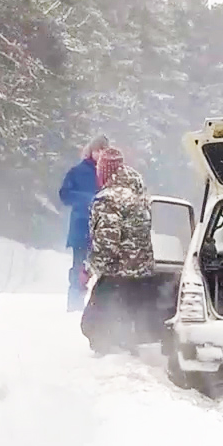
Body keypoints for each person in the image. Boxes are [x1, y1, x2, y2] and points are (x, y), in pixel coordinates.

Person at [81, 148, 156, 354]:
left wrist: (89, 269)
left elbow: (107, 243)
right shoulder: (139, 197)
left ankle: (112, 360)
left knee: (94, 324)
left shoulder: (108, 199)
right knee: (128, 320)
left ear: (105, 171)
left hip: (117, 274)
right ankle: (127, 352)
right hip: (141, 274)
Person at [58, 136, 108, 310]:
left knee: (105, 272)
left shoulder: (111, 174)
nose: (100, 154)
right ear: (91, 151)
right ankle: (75, 303)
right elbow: (64, 194)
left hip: (105, 230)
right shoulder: (77, 171)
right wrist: (88, 200)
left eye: (103, 150)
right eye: (97, 150)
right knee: (79, 268)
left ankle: (101, 308)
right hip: (81, 227)